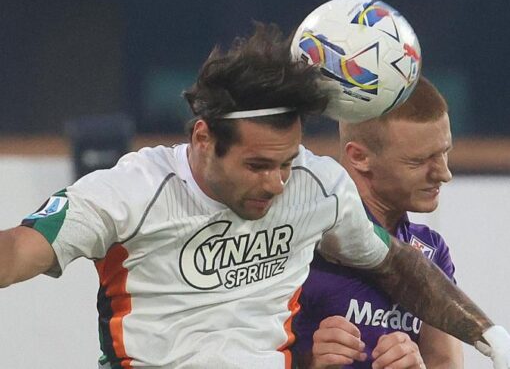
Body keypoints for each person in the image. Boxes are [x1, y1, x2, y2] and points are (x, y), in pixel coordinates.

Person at [0, 24, 509, 369]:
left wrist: (491, 338)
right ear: (203, 138)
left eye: (286, 162)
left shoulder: (319, 187)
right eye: (257, 166)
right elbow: (21, 250)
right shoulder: (130, 192)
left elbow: (397, 265)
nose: (276, 183)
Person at [292, 77, 464, 369]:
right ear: (359, 157)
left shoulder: (431, 251)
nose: (443, 173)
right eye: (419, 161)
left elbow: (447, 362)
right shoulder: (302, 240)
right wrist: (306, 363)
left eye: (444, 152)